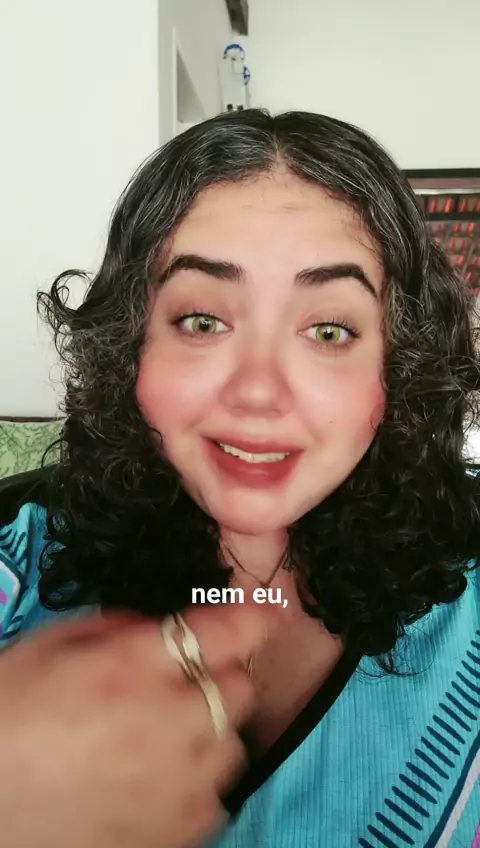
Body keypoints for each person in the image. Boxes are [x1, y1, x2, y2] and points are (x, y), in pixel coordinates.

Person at [0, 108, 479, 848]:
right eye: (202, 321)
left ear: (397, 368)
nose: (258, 392)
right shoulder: (18, 570)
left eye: (329, 331)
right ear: (132, 347)